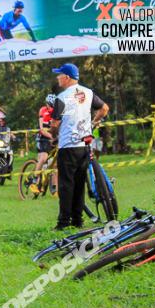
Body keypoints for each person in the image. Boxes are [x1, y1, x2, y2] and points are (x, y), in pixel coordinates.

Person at [48, 63, 109, 230]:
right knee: (79, 183)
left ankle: (63, 223)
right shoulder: (88, 92)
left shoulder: (62, 97)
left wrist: (54, 136)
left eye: (59, 75)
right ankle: (78, 220)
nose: (57, 78)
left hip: (67, 145)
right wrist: (94, 122)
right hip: (84, 145)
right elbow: (104, 108)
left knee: (66, 185)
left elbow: (54, 123)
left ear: (67, 77)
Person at [29, 94, 57, 195]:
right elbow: (42, 129)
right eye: (51, 105)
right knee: (44, 158)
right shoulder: (43, 110)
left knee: (55, 162)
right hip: (43, 138)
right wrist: (51, 137)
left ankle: (54, 188)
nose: (52, 108)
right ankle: (34, 180)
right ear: (47, 104)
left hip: (53, 137)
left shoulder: (57, 112)